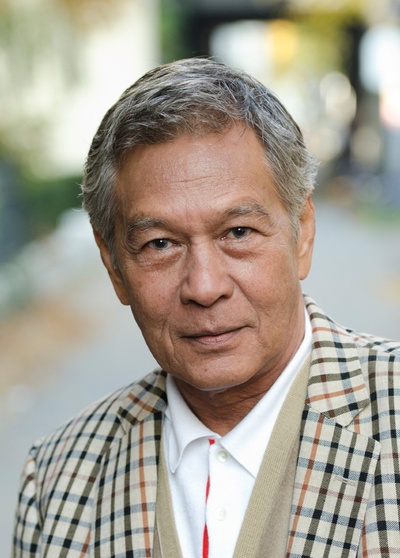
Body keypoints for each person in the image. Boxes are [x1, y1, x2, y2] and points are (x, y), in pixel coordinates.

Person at [13, 58, 400, 558]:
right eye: (160, 244)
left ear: (302, 232)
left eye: (238, 233)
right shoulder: (59, 482)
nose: (204, 286)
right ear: (113, 266)